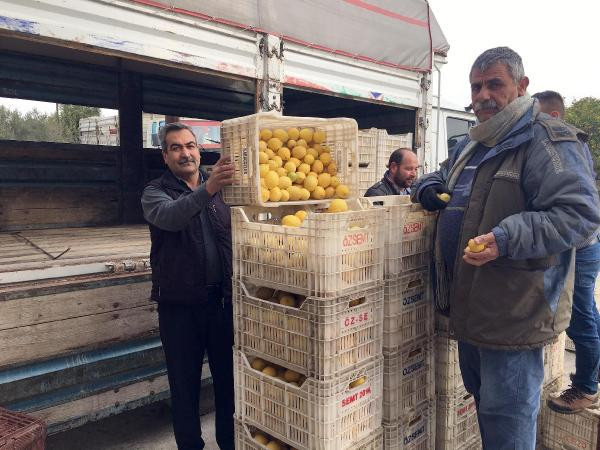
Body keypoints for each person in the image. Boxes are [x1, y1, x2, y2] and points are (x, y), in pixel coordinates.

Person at [411, 47, 600, 448]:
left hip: (514, 315)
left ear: (521, 85)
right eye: (476, 86)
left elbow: (579, 214)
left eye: (494, 84)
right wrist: (428, 185)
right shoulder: (474, 143)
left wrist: (505, 238)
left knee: (508, 424)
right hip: (472, 311)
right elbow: (440, 174)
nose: (483, 95)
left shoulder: (547, 141)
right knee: (488, 412)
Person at [141, 122, 236, 450]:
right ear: (165, 156)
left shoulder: (220, 189)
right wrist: (208, 189)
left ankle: (230, 443)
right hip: (180, 308)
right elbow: (172, 217)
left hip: (221, 304)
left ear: (199, 150)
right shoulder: (155, 192)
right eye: (176, 147)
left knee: (229, 384)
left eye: (190, 145)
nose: (186, 153)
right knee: (184, 389)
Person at [533, 90, 600, 413]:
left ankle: (586, 388)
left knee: (579, 316)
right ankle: (592, 374)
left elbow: (575, 208)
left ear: (554, 116)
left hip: (579, 247)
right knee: (587, 313)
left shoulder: (567, 144)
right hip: (581, 244)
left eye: (537, 116)